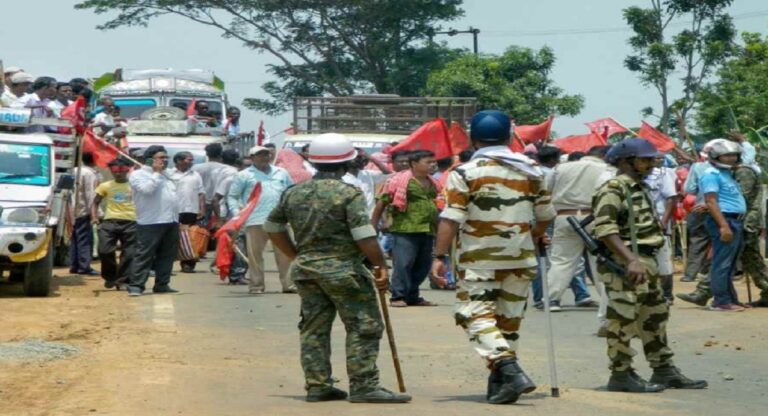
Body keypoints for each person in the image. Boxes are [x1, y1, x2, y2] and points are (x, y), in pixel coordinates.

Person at [264, 133, 411, 404]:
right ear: (348, 161)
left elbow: (272, 227)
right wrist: (380, 264)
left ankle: (318, 385)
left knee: (314, 328)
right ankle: (364, 385)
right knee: (364, 325)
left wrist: (297, 254)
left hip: (307, 270)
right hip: (344, 271)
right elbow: (364, 235)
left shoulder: (294, 192)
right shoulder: (348, 193)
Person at [430, 110, 555, 404]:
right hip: (521, 257)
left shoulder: (464, 173)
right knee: (507, 322)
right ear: (509, 138)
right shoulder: (532, 171)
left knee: (474, 315)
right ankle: (500, 383)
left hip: (479, 259)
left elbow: (451, 219)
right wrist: (534, 236)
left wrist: (438, 256)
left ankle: (510, 371)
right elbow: (545, 216)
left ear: (474, 140)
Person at [592, 137, 706, 392]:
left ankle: (663, 369)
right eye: (645, 159)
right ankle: (621, 373)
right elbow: (606, 229)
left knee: (655, 316)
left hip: (647, 259)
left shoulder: (638, 186)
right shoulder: (613, 188)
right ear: (625, 161)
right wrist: (631, 260)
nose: (652, 163)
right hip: (628, 262)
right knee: (623, 319)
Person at [544, 145, 613, 323]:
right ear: (605, 156)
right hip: (594, 217)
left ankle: (552, 298)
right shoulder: (606, 170)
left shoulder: (561, 168)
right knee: (600, 260)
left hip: (564, 216)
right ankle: (608, 299)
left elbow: (546, 190)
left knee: (561, 260)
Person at [677, 140, 747, 311]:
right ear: (716, 156)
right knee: (721, 262)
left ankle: (731, 299)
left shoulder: (728, 174)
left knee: (730, 263)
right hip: (724, 219)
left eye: (734, 155)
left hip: (735, 219)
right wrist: (723, 226)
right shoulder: (711, 174)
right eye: (727, 155)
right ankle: (721, 301)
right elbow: (711, 201)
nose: (732, 158)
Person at [372, 150, 440, 308]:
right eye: (428, 162)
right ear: (414, 164)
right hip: (405, 228)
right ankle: (398, 296)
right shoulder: (399, 181)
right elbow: (382, 202)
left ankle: (413, 296)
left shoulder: (432, 182)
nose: (433, 165)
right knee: (404, 263)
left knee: (422, 265)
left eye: (433, 162)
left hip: (427, 228)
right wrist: (374, 224)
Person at [227, 145, 294, 294]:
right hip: (255, 219)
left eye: (266, 154)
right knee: (255, 256)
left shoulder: (281, 172)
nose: (264, 157)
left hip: (279, 220)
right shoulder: (244, 175)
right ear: (252, 158)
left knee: (286, 254)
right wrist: (238, 214)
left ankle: (289, 285)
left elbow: (291, 191)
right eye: (260, 155)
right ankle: (257, 285)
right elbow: (232, 196)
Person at [127, 145, 180, 296]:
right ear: (150, 160)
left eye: (165, 158)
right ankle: (136, 285)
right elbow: (147, 190)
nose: (164, 161)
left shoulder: (166, 175)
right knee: (144, 255)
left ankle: (162, 284)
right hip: (150, 222)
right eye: (161, 158)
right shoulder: (138, 175)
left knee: (167, 255)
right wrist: (156, 173)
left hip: (171, 220)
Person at [92, 158, 137, 289]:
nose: (118, 173)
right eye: (115, 170)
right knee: (104, 250)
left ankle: (122, 280)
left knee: (129, 253)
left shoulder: (135, 185)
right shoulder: (105, 186)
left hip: (132, 221)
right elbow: (95, 202)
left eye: (122, 170)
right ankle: (110, 276)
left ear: (128, 169)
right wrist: (94, 217)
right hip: (110, 221)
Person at [644, 156, 679, 304]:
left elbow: (671, 198)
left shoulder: (663, 174)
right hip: (637, 221)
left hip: (658, 219)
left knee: (663, 257)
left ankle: (666, 294)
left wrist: (664, 221)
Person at [169, 151, 205, 273]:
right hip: (173, 211)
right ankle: (167, 264)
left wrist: (202, 208)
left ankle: (188, 264)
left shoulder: (195, 175)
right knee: (172, 238)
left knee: (190, 238)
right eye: (189, 159)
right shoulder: (169, 174)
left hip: (191, 210)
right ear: (179, 160)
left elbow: (201, 193)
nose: (191, 162)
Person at [70, 152, 100, 275]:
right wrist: (94, 213)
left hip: (72, 210)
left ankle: (74, 265)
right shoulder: (89, 173)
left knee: (74, 239)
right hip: (83, 210)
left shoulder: (74, 170)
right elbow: (90, 194)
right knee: (85, 240)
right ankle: (84, 266)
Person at [192, 142, 225, 225]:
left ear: (207, 154)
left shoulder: (196, 168)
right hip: (220, 206)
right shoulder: (226, 169)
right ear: (220, 154)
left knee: (200, 234)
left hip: (200, 205)